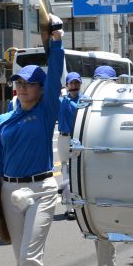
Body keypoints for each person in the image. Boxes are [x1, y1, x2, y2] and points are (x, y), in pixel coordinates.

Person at [0, 15, 64, 266]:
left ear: (40, 88)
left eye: (30, 83)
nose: (22, 88)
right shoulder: (4, 120)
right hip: (9, 192)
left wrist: (55, 42)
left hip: (42, 189)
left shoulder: (47, 111)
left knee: (31, 257)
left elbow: (56, 72)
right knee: (23, 263)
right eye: (19, 83)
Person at [88, 65, 117, 266]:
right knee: (100, 227)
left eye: (106, 81)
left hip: (119, 173)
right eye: (98, 80)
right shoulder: (87, 108)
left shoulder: (122, 108)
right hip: (94, 172)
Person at [57, 71, 83, 220]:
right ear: (66, 85)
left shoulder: (85, 101)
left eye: (76, 83)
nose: (74, 86)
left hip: (78, 139)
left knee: (77, 172)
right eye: (71, 83)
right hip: (63, 138)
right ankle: (70, 207)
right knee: (65, 171)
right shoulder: (62, 101)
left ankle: (79, 202)